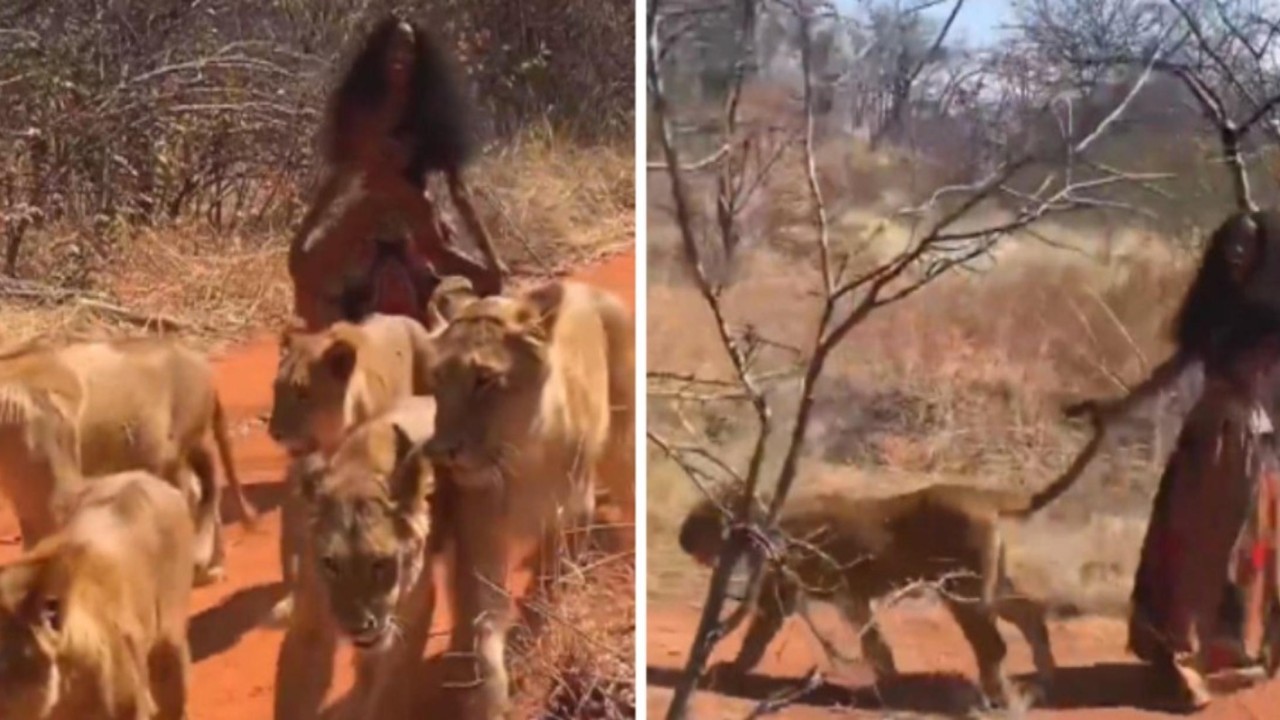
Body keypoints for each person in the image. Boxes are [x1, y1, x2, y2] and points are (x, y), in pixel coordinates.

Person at [1067, 211, 1280, 708]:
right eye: (1229, 244)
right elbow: (1171, 373)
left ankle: (1223, 658)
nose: (1236, 254)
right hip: (1209, 442)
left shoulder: (1271, 320)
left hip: (1257, 444)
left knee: (1242, 557)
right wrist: (1115, 407)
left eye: (1248, 247)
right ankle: (1184, 662)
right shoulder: (1212, 316)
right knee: (1194, 554)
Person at [289, 14, 505, 330]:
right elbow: (339, 179)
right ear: (379, 55)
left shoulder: (427, 115)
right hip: (364, 218)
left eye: (408, 50)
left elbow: (458, 191)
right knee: (307, 276)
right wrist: (303, 238)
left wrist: (490, 258)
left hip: (415, 220)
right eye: (393, 49)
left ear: (418, 60)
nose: (400, 57)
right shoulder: (364, 109)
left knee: (483, 286)